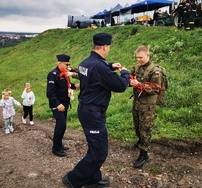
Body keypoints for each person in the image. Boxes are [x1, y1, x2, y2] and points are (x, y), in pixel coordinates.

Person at [62, 33, 130, 188]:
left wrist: (111, 65)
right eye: (109, 47)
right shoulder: (99, 66)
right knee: (99, 152)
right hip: (93, 114)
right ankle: (73, 179)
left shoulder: (86, 62)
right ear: (105, 46)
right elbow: (120, 86)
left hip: (86, 111)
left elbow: (98, 69)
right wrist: (124, 72)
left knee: (95, 147)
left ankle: (93, 178)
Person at [129, 45, 162, 168]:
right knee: (137, 125)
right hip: (137, 103)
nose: (139, 60)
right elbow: (130, 78)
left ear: (148, 55)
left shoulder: (155, 70)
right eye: (137, 57)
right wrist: (128, 80)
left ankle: (144, 153)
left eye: (141, 57)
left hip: (148, 106)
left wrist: (139, 85)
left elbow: (156, 88)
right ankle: (140, 141)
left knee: (146, 128)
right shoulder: (137, 68)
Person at [46, 54, 79, 157]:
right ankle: (55, 148)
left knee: (63, 126)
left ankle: (59, 145)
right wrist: (58, 104)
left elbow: (65, 85)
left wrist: (74, 86)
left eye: (69, 64)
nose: (68, 66)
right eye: (66, 64)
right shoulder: (53, 74)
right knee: (61, 125)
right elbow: (50, 93)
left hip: (64, 104)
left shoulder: (63, 73)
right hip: (57, 105)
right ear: (59, 63)